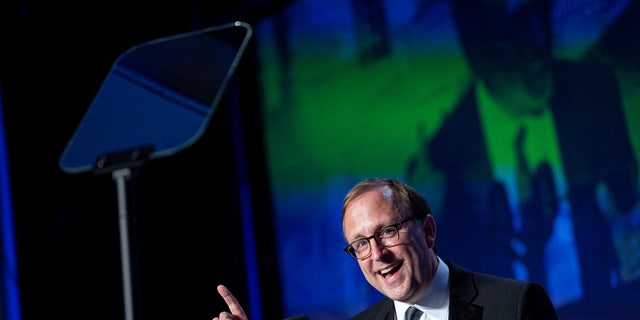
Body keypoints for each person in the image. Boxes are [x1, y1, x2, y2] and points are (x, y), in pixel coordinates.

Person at [213, 177, 558, 319]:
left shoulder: (515, 305)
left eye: (387, 232)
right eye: (360, 244)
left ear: (428, 231)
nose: (377, 255)